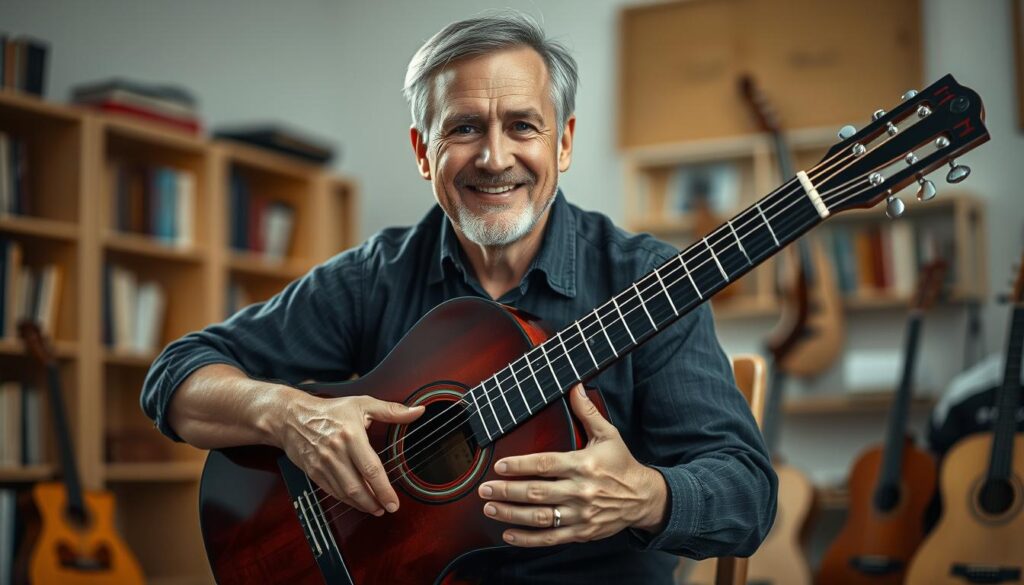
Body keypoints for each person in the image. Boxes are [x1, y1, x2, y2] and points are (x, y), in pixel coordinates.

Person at [141, 11, 776, 584]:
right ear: (424, 151)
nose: (495, 158)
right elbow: (174, 378)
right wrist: (287, 415)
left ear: (563, 142)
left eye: (523, 126)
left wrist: (642, 496)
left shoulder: (650, 279)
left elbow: (748, 496)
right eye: (465, 128)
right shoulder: (375, 275)